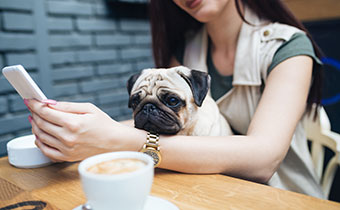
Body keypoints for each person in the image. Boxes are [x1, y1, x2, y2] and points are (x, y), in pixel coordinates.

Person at [25, 0, 325, 199]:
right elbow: (154, 118)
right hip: (203, 190)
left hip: (283, 196)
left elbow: (264, 158)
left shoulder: (287, 47)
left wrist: (117, 139)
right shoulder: (186, 51)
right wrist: (78, 131)